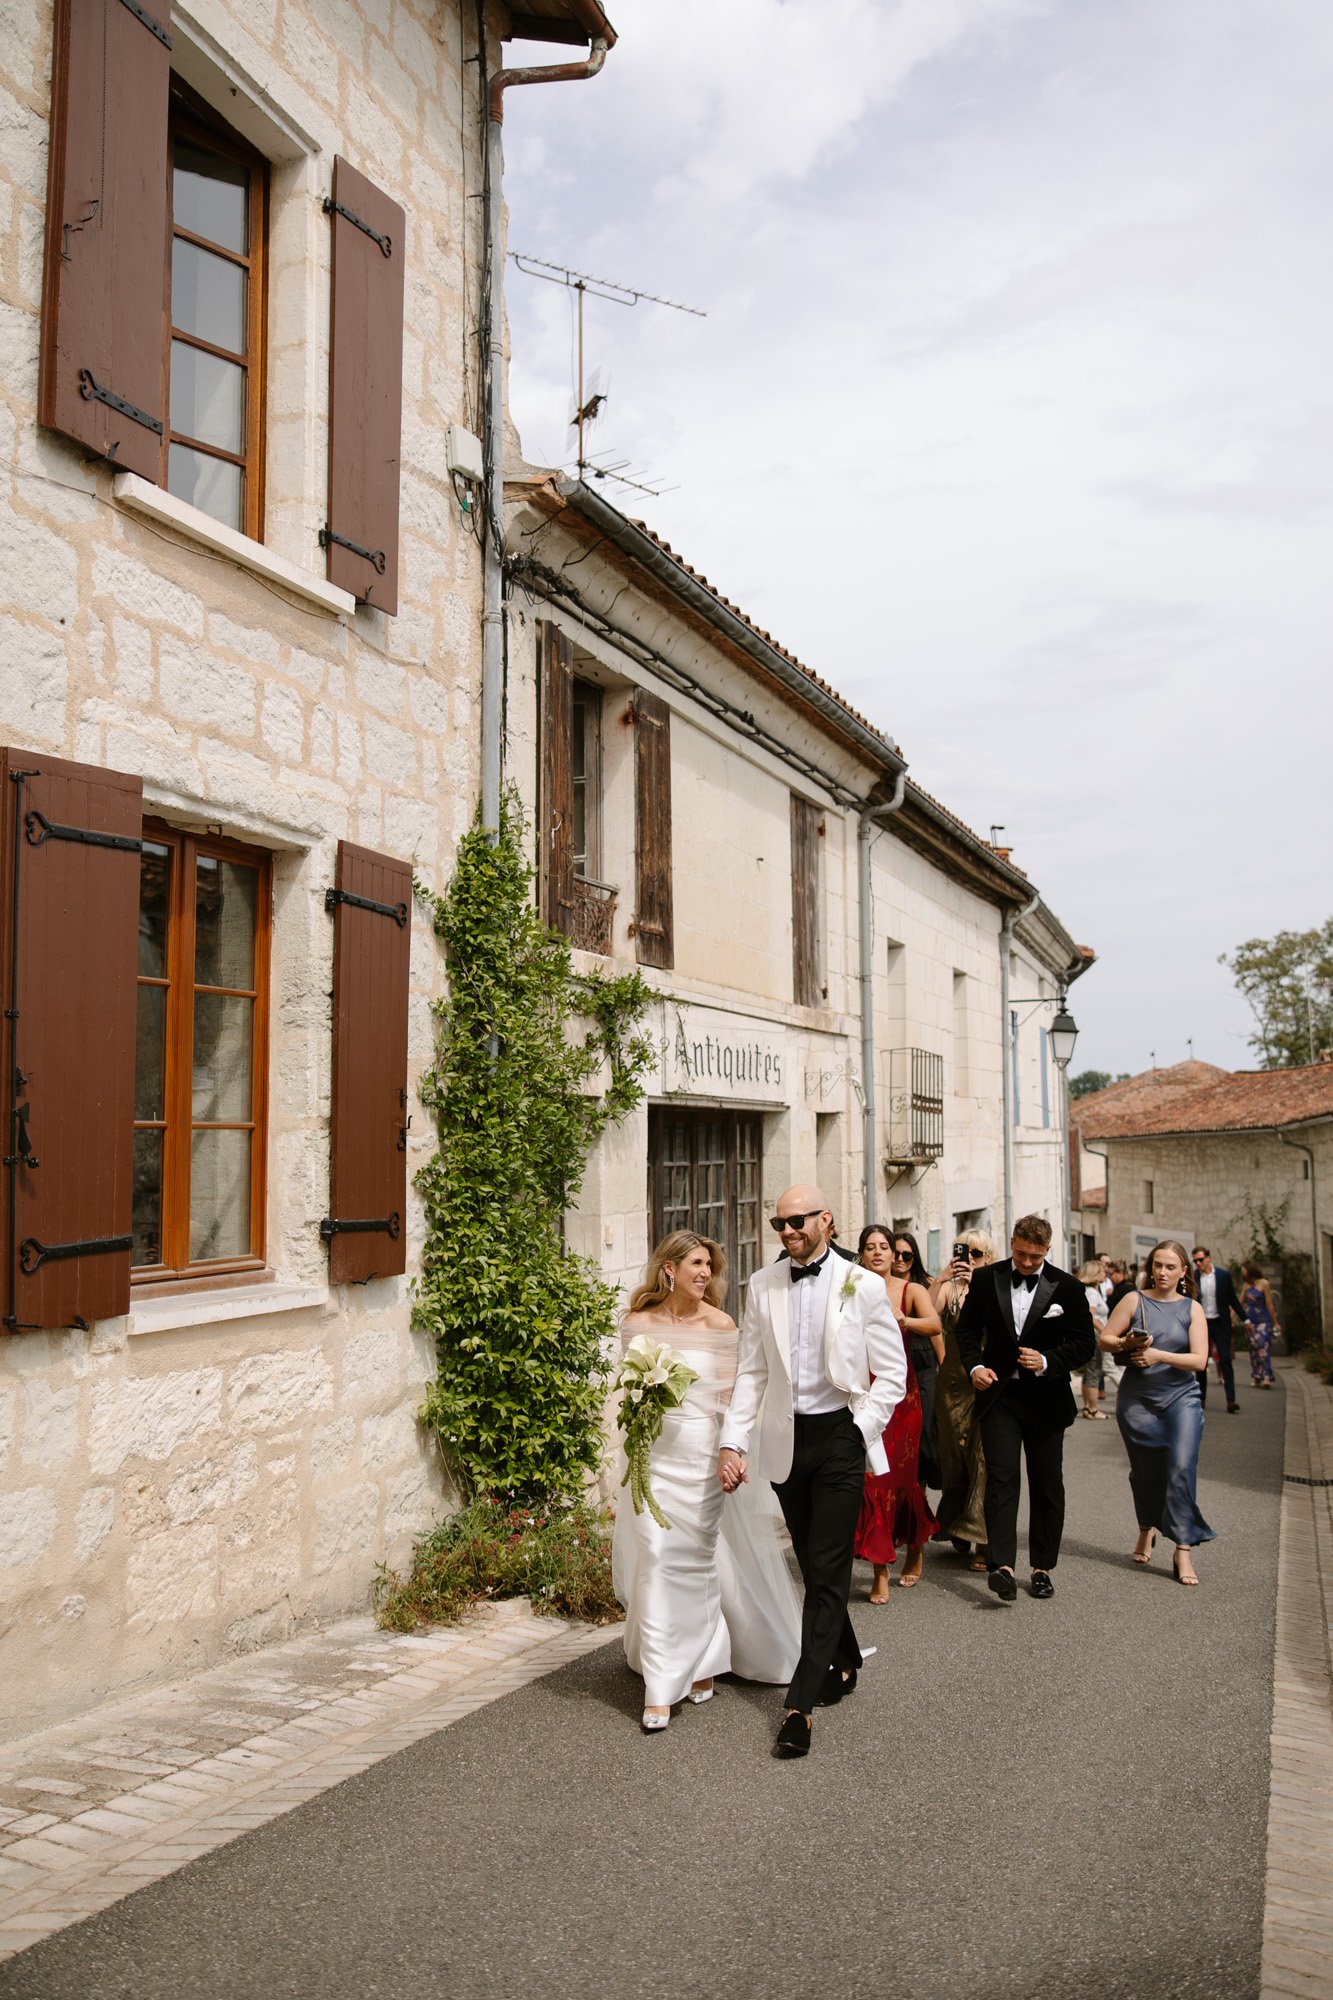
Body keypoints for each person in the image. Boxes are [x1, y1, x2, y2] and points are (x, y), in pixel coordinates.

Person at [718, 1184, 907, 1758]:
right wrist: (734, 1442)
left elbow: (892, 1375)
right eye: (779, 1224)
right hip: (784, 1441)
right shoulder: (762, 1285)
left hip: (840, 1440)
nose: (789, 1231)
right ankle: (844, 1659)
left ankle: (799, 1706)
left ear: (826, 1219)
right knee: (814, 1562)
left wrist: (859, 1430)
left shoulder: (865, 1284)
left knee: (826, 1569)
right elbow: (751, 1373)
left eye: (798, 1220)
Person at [613, 1232, 800, 1731]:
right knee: (654, 1557)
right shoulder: (637, 1323)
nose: (705, 1274)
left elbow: (731, 1402)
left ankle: (704, 1658)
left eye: (709, 1267)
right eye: (696, 1263)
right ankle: (660, 1685)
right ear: (668, 1268)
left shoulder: (721, 1324)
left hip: (700, 1457)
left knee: (694, 1562)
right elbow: (628, 1394)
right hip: (653, 1455)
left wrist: (730, 1452)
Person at [955, 1215, 1095, 1602]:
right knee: (1001, 1480)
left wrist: (1049, 1360)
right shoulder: (986, 1279)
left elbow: (1085, 1345)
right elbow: (965, 1331)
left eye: (1036, 1257)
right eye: (1021, 1254)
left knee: (1047, 1483)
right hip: (1000, 1396)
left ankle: (1042, 1567)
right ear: (1012, 1242)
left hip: (1047, 1399)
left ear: (1047, 1250)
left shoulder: (1067, 1287)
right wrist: (975, 1367)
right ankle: (1002, 1565)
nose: (1028, 1263)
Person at [1101, 1240, 1214, 1584]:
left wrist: (1159, 1355)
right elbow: (1105, 1338)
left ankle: (1183, 1549)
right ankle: (1146, 1528)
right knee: (1145, 1472)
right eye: (1158, 1265)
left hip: (1181, 1399)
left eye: (1170, 1267)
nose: (1162, 1272)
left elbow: (1199, 1360)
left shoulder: (1192, 1309)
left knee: (1181, 1468)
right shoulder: (1134, 1299)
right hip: (1137, 1401)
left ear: (1183, 1272)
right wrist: (1126, 1344)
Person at [854, 1226, 940, 1597]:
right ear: (860, 1254)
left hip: (903, 1398)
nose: (878, 1253)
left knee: (903, 1481)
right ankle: (880, 1571)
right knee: (873, 1482)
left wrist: (905, 1321)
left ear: (895, 1255)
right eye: (870, 1247)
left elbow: (935, 1326)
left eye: (884, 1247)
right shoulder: (851, 1288)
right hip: (861, 1393)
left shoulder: (910, 1290)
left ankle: (915, 1548)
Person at [931, 1230, 996, 1570]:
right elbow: (926, 1317)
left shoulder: (995, 1287)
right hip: (951, 1385)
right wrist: (942, 1277)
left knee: (982, 1458)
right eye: (964, 1253)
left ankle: (983, 1538)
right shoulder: (949, 1289)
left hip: (985, 1385)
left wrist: (981, 1284)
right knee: (954, 1459)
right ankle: (957, 1519)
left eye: (978, 1255)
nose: (970, 1260)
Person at [1190, 1246, 1246, 1413]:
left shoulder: (1223, 1276)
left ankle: (1231, 1400)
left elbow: (1232, 1300)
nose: (1198, 1263)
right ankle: (1201, 1399)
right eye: (1195, 1261)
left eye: (1200, 1259)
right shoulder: (1194, 1277)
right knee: (1201, 1364)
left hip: (1220, 1324)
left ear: (1208, 1258)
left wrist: (1246, 1319)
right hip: (1202, 1325)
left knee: (1225, 1360)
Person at [1077, 1259, 1110, 1417]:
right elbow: (1090, 1316)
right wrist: (1104, 1331)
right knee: (1094, 1370)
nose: (1105, 1274)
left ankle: (1087, 1407)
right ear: (1095, 1275)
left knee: (1090, 1371)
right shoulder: (1092, 1293)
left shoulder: (1088, 1291)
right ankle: (1092, 1408)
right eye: (1102, 1271)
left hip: (1091, 1334)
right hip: (1095, 1334)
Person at [1240, 1262, 1279, 1388]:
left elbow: (1269, 1303)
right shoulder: (1246, 1286)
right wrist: (1231, 1315)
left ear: (1249, 1270)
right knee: (1253, 1349)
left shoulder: (1264, 1283)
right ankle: (1257, 1376)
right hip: (1250, 1322)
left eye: (1243, 1270)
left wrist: (1275, 1322)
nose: (1242, 1273)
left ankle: (1267, 1376)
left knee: (1263, 1347)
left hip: (1263, 1320)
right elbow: (1239, 1302)